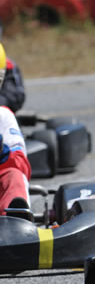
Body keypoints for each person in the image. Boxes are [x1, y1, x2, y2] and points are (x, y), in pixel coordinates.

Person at [0, 42, 32, 218]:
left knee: (13, 175)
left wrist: (3, 153)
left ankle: (15, 220)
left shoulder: (3, 116)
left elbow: (20, 165)